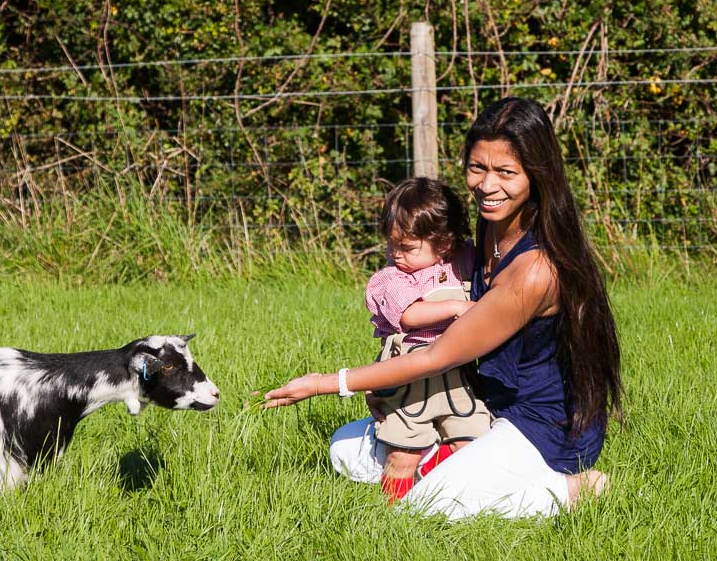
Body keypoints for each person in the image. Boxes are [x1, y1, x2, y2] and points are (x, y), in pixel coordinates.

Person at [263, 97, 622, 519]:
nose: (487, 186)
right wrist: (398, 393)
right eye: (477, 168)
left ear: (536, 175)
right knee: (344, 450)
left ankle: (573, 488)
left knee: (423, 509)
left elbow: (437, 355)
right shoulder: (492, 224)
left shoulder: (534, 270)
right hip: (480, 399)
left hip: (542, 426)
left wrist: (325, 383)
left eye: (506, 172)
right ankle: (458, 466)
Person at [363, 177, 490, 503]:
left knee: (471, 444)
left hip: (458, 377)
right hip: (409, 380)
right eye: (391, 245)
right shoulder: (389, 278)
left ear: (444, 244)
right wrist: (456, 307)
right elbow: (410, 315)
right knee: (401, 455)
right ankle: (393, 512)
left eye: (406, 247)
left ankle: (433, 471)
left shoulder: (461, 260)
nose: (396, 254)